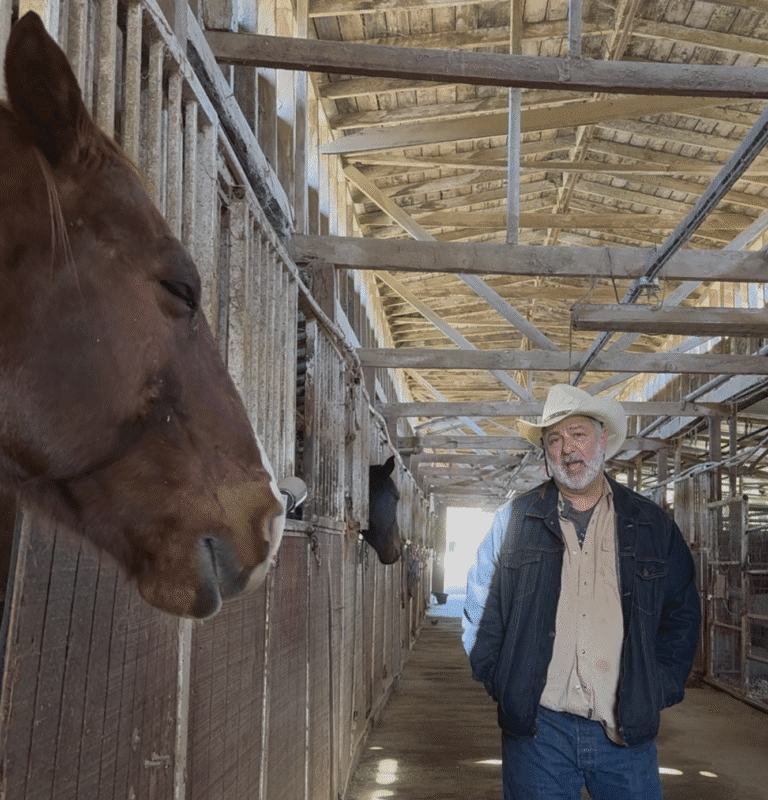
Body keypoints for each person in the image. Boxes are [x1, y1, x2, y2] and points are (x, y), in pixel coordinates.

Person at [462, 384, 701, 800]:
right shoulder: (513, 521)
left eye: (578, 434)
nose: (567, 448)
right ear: (545, 452)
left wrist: (654, 689)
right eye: (554, 439)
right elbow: (481, 611)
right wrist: (507, 682)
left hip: (625, 729)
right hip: (538, 732)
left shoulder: (651, 524)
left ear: (602, 439)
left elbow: (681, 615)